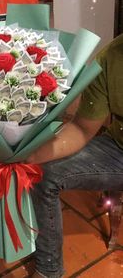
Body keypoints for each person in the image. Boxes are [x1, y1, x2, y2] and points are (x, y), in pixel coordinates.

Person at [28, 33, 123, 278]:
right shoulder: (111, 56)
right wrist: (29, 156)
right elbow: (82, 128)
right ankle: (49, 270)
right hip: (117, 149)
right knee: (44, 173)